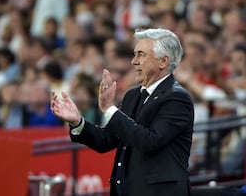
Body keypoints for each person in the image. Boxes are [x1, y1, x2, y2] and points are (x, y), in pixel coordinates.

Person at [51, 28, 194, 196]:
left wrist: (110, 110)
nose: (134, 61)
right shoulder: (133, 96)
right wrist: (77, 122)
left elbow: (149, 141)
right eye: (135, 54)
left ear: (163, 61)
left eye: (141, 54)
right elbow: (107, 139)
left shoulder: (177, 98)